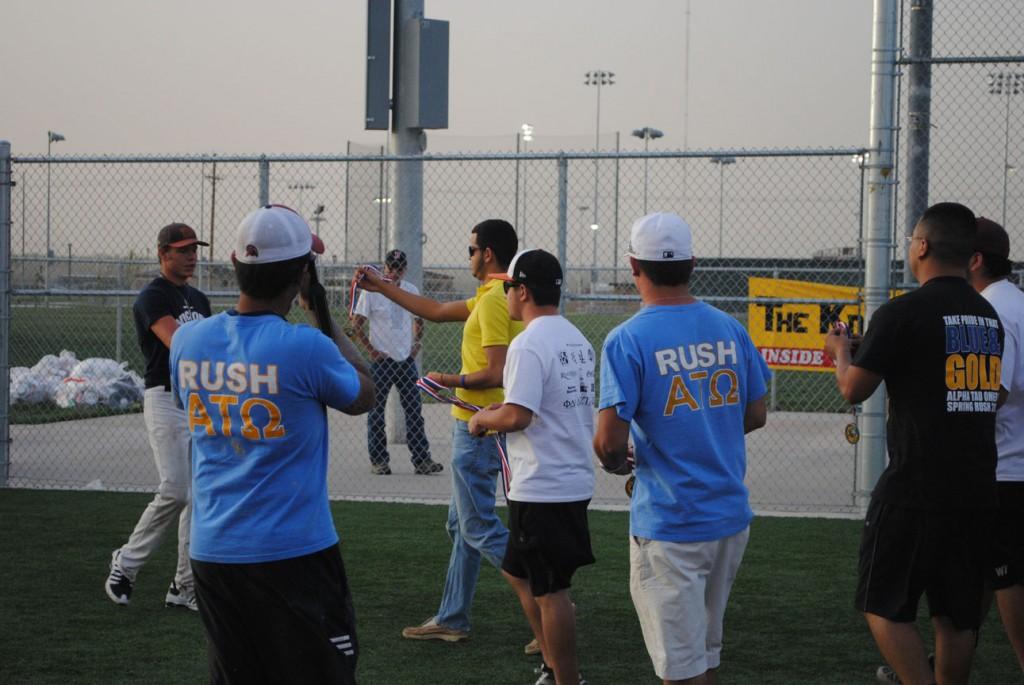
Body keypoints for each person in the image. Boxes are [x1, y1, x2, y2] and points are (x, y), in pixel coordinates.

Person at [169, 204, 375, 683]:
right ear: (303, 274)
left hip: (214, 551)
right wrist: (321, 314)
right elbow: (363, 392)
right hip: (294, 553)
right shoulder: (306, 347)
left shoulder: (187, 341)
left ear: (236, 265)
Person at [824, 202, 1002, 685]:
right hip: (978, 488)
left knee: (881, 603)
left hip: (915, 487)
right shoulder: (987, 316)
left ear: (922, 246)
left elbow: (852, 390)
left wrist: (841, 351)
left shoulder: (903, 311)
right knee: (957, 616)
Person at [593, 212, 770, 685]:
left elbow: (609, 442)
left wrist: (621, 462)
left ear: (633, 265)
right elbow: (755, 414)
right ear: (693, 263)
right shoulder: (729, 328)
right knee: (704, 658)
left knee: (682, 670)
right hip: (728, 517)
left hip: (672, 521)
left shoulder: (627, 338)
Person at [355, 219, 523, 643]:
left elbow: (496, 372)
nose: (467, 256)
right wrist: (381, 287)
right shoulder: (494, 295)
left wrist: (447, 380)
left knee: (477, 526)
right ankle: (452, 618)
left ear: (487, 254)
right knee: (461, 526)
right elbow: (435, 310)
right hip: (477, 426)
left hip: (478, 426)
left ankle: (547, 594)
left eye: (470, 250)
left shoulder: (493, 301)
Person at [469, 249, 595, 685]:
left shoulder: (527, 342)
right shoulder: (575, 337)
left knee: (551, 591)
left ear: (522, 291)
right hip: (564, 479)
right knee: (516, 571)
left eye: (508, 286)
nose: (505, 294)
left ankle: (566, 679)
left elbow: (517, 415)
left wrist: (483, 418)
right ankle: (551, 662)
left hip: (544, 484)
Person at [105, 222, 211, 611]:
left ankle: (184, 586)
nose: (191, 256)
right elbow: (177, 341)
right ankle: (126, 562)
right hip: (165, 398)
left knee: (197, 497)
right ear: (163, 254)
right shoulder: (152, 296)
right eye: (182, 250)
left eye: (194, 249)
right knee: (176, 489)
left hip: (197, 402)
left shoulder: (198, 298)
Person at [968, 217, 1024, 672]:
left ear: (975, 259)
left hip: (1007, 465)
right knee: (987, 570)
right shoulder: (1015, 301)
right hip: (1015, 462)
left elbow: (996, 391)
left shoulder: (993, 310)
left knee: (1008, 575)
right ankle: (951, 657)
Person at [351, 248, 441, 476]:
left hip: (405, 361)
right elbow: (356, 324)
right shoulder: (372, 292)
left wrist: (416, 344)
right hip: (382, 362)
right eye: (391, 268)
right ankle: (379, 460)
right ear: (384, 267)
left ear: (405, 270)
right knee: (376, 411)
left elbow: (419, 320)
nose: (395, 272)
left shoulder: (410, 290)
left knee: (414, 411)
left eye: (399, 269)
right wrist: (371, 350)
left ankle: (422, 460)